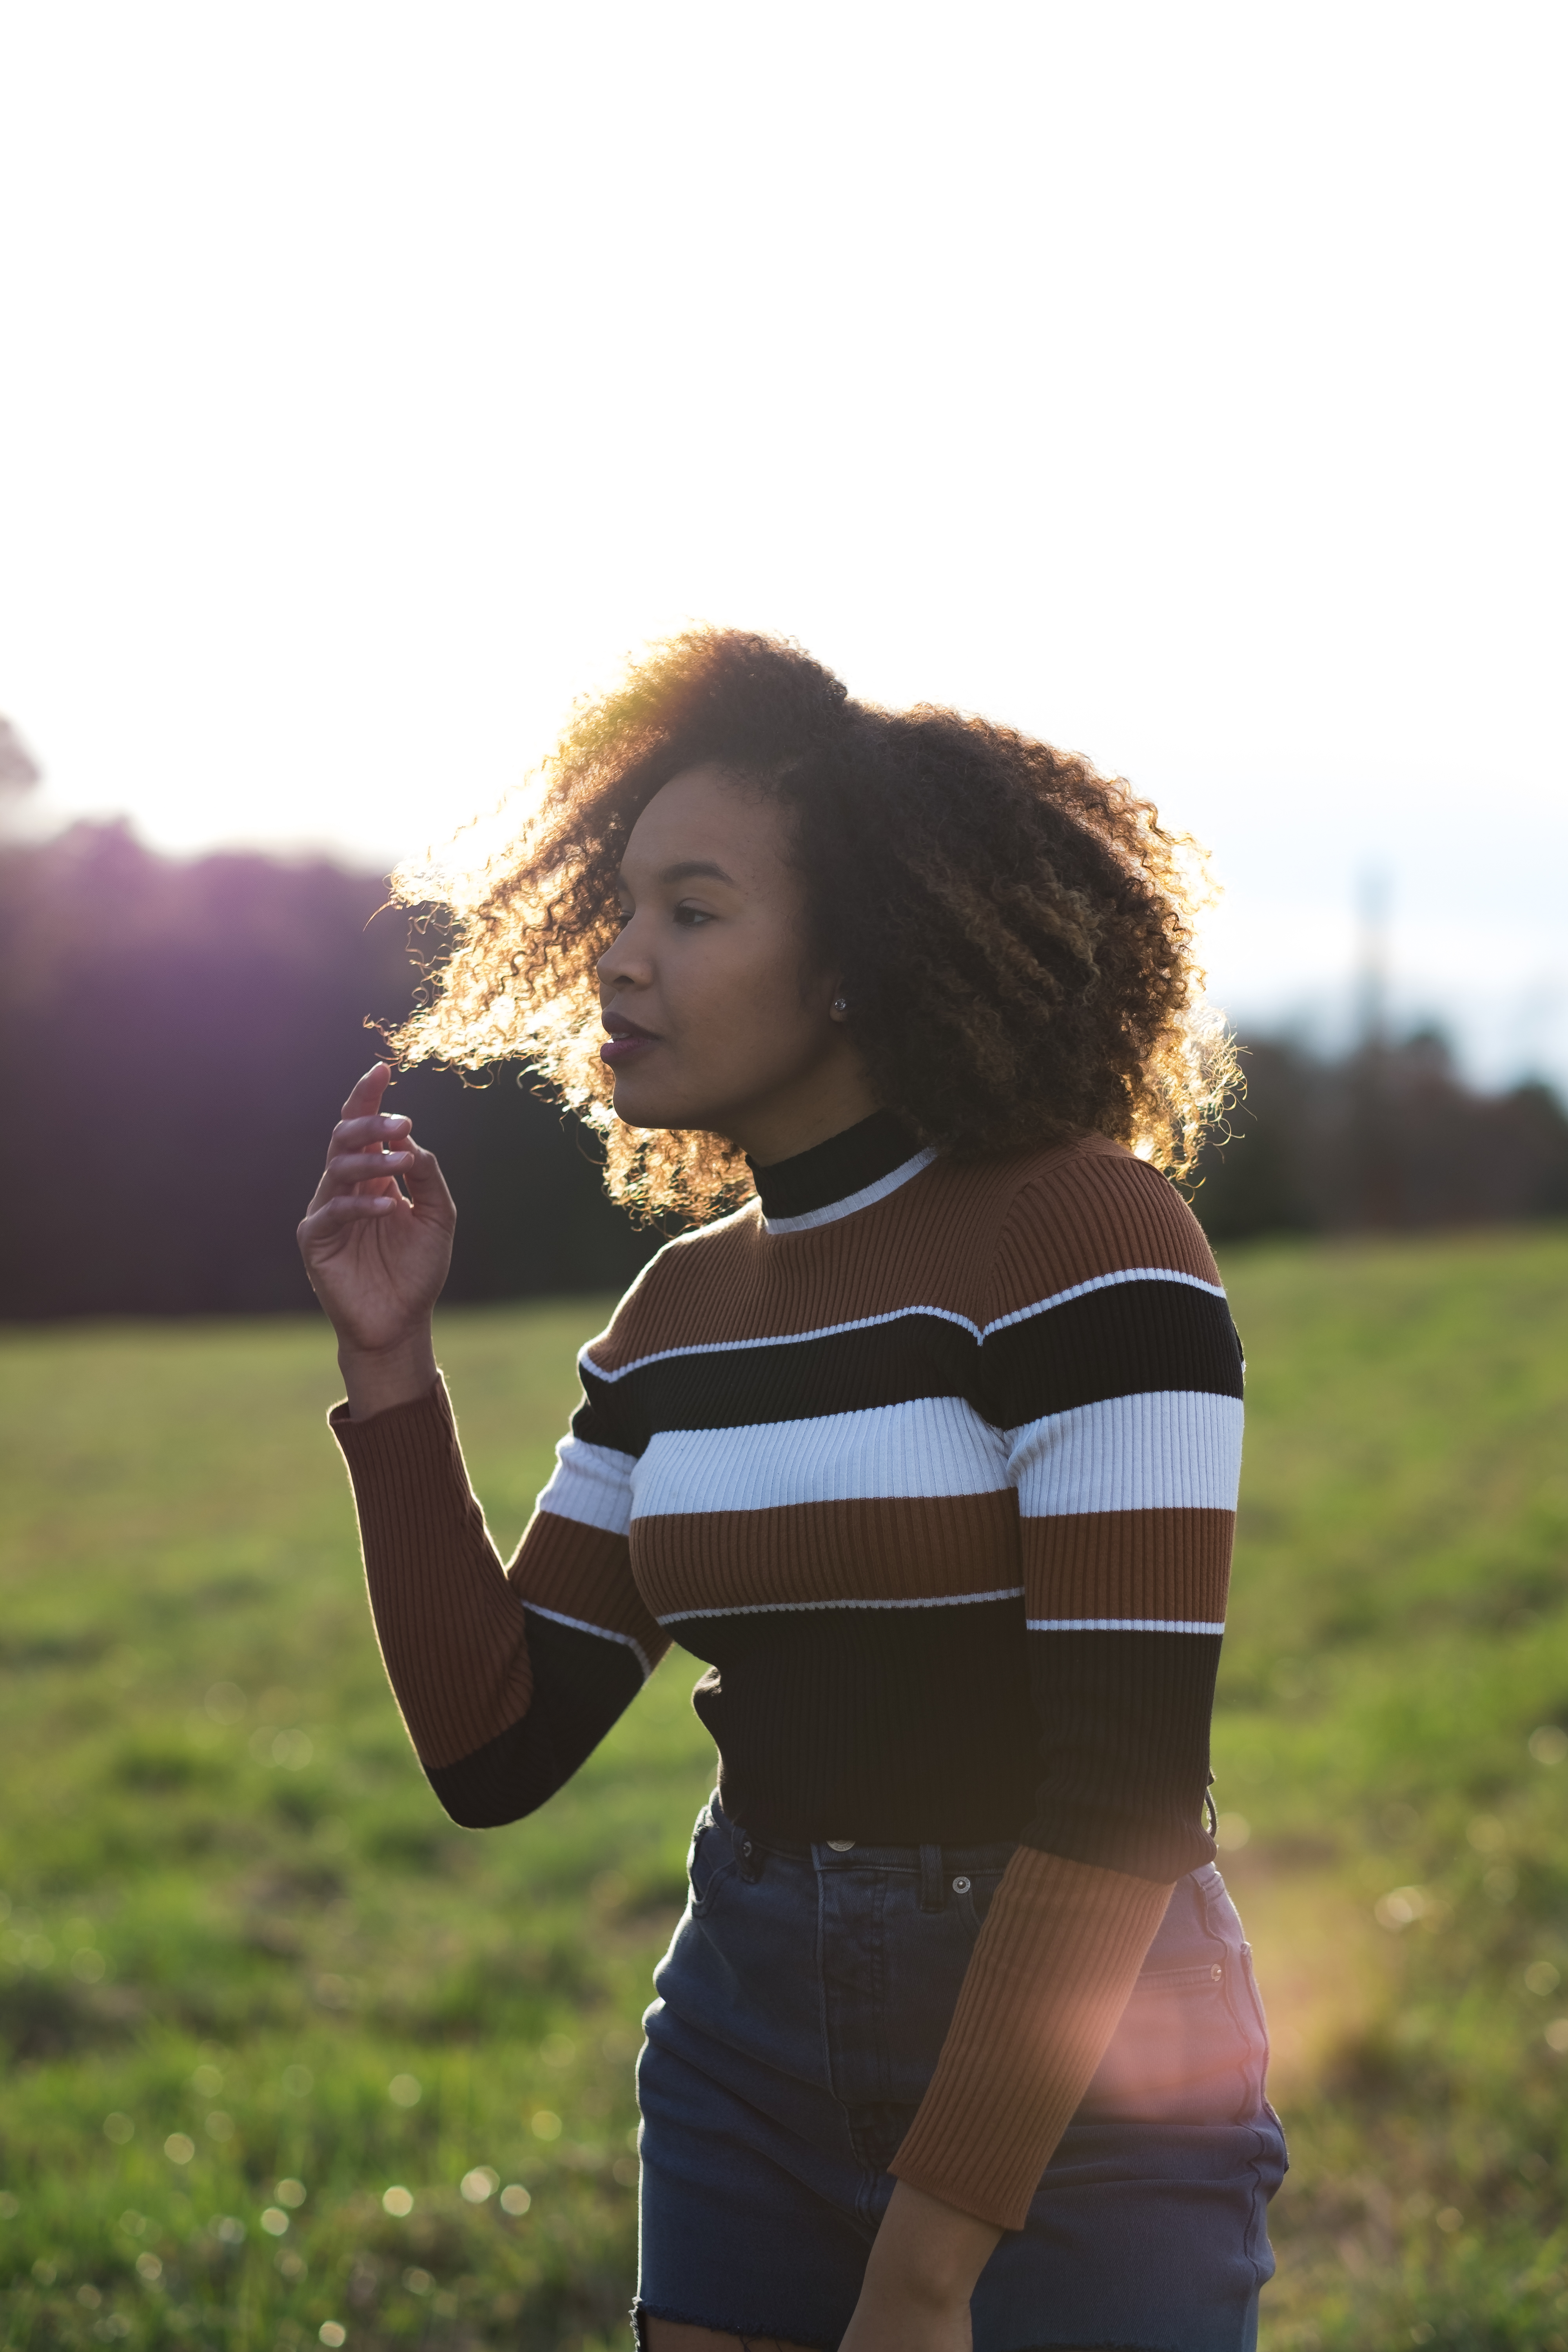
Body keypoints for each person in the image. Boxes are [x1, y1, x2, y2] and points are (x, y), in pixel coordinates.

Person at [298, 630, 1285, 2352]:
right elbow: (495, 1749)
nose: (618, 960)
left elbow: (1127, 1785)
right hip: (746, 2038)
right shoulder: (676, 1311)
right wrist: (389, 1372)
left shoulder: (1087, 1239)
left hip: (1090, 2074)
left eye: (692, 910)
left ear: (855, 962)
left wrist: (923, 2269)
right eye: (619, 908)